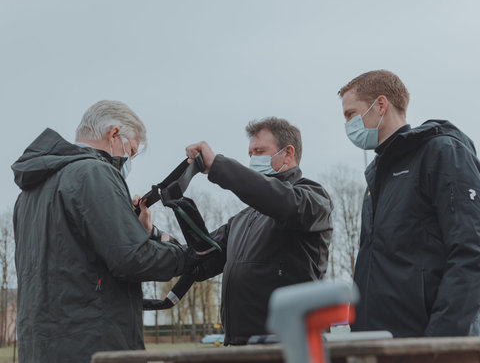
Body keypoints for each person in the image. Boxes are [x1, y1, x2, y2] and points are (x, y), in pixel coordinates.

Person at [11, 100, 188, 363]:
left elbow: (74, 262)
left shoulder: (29, 193)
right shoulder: (94, 172)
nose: (128, 162)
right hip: (92, 346)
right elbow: (132, 259)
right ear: (114, 134)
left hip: (41, 347)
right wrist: (185, 256)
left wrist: (139, 231)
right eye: (131, 151)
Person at [338, 70, 480, 337]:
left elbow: (471, 250)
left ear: (380, 105)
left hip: (424, 344)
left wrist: (442, 340)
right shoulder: (377, 177)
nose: (347, 124)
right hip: (375, 343)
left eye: (350, 114)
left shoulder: (441, 152)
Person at [185, 117, 333, 345]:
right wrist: (154, 234)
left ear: (287, 153)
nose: (253, 159)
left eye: (260, 151)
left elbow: (281, 201)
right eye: (250, 153)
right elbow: (199, 255)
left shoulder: (313, 198)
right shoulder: (242, 219)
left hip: (291, 346)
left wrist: (218, 167)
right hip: (243, 347)